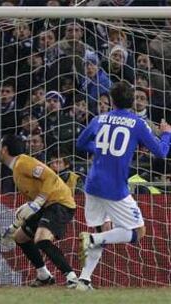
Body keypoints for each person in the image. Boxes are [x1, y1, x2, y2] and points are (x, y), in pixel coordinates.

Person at [75, 81, 171, 291]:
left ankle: (84, 280)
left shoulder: (99, 119)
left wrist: (101, 149)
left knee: (105, 228)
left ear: (112, 100)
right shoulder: (137, 123)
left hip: (92, 184)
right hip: (115, 188)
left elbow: (80, 144)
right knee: (139, 232)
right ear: (132, 103)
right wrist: (167, 133)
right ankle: (92, 238)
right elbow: (162, 152)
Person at [0, 134, 78, 288]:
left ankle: (72, 278)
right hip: (46, 205)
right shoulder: (16, 169)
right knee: (20, 237)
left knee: (41, 240)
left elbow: (51, 178)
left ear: (4, 150)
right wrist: (18, 219)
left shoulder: (23, 162)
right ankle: (43, 275)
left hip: (59, 202)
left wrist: (38, 201)